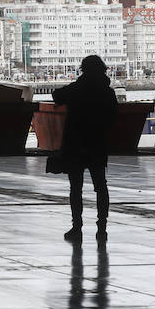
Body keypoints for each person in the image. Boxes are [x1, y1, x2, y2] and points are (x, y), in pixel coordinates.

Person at [51, 54, 118, 242]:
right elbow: (113, 117)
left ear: (83, 70)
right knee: (100, 186)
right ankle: (102, 227)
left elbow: (57, 96)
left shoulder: (76, 89)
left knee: (76, 188)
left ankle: (77, 227)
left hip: (75, 144)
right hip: (97, 143)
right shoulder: (108, 92)